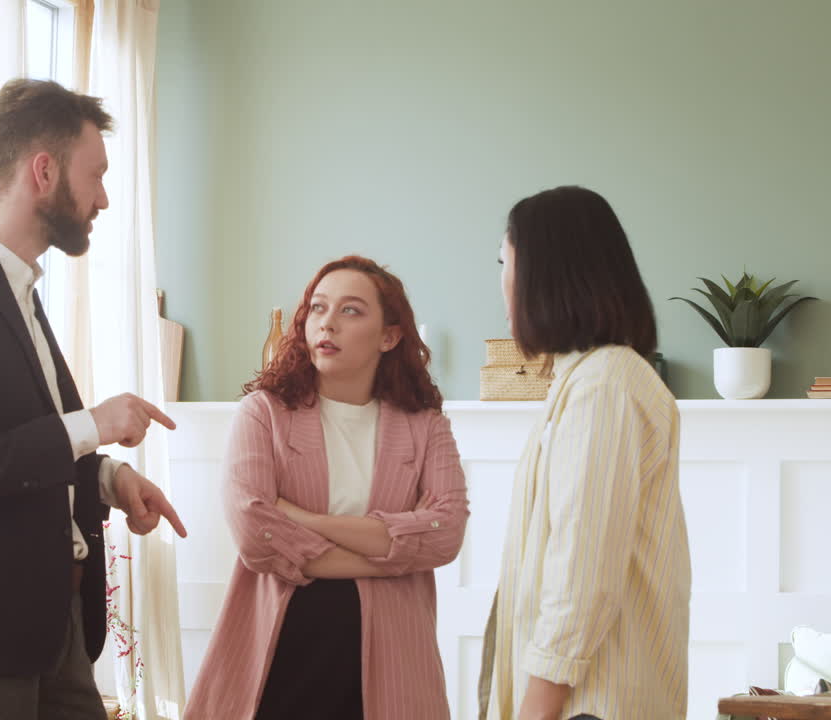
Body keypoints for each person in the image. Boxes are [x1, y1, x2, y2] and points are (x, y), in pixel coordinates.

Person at [0, 78, 186, 720]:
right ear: (43, 171)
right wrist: (93, 425)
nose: (103, 198)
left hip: (52, 626)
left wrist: (106, 477)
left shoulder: (20, 298)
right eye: (95, 175)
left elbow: (18, 446)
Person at [185, 256, 469, 720]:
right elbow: (257, 538)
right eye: (318, 308)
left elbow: (445, 533)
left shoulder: (426, 426)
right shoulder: (264, 413)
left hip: (393, 663)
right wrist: (393, 557)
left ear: (389, 336)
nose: (327, 323)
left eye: (350, 310)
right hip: (281, 654)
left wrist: (301, 518)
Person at [481, 186, 691, 720]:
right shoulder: (587, 382)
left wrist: (537, 707)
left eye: (506, 263)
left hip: (587, 706)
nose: (502, 283)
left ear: (545, 273)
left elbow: (582, 565)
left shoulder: (604, 385)